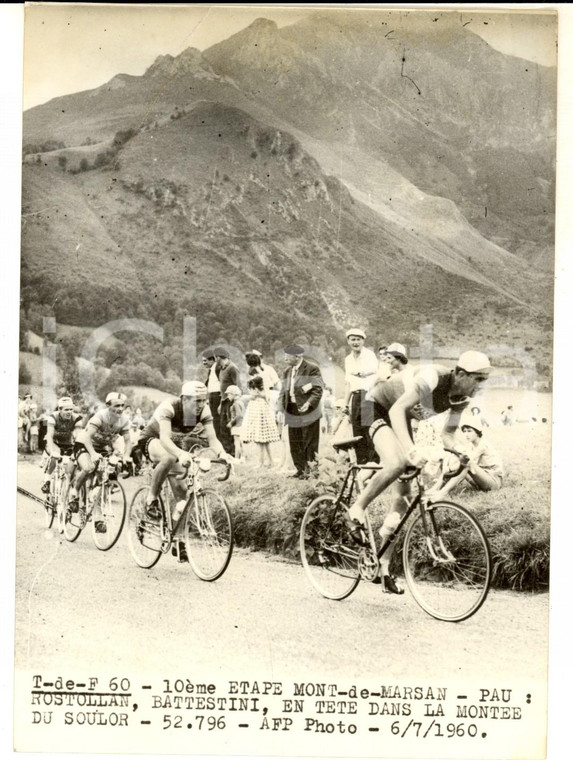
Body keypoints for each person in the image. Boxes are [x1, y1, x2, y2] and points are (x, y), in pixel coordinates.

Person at [345, 350, 492, 594]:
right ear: (461, 374)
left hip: (398, 418)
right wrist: (412, 450)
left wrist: (459, 450)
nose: (480, 387)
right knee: (397, 463)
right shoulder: (432, 377)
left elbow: (447, 435)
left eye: (483, 382)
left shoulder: (461, 398)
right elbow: (396, 411)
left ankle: (383, 565)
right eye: (477, 380)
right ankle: (356, 508)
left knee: (403, 499)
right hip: (373, 408)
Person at [137, 381, 233, 560]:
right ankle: (151, 499)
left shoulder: (204, 411)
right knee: (169, 457)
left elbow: (213, 440)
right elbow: (165, 438)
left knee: (182, 497)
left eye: (203, 401)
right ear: (184, 399)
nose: (201, 405)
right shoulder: (169, 407)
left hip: (175, 445)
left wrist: (223, 454)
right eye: (196, 401)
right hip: (153, 440)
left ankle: (178, 540)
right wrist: (181, 454)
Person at [68, 392, 134, 532]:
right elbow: (86, 437)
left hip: (103, 448)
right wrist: (92, 454)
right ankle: (74, 492)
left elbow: (128, 441)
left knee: (103, 481)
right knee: (88, 467)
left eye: (122, 405)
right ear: (108, 405)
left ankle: (98, 518)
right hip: (84, 444)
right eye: (117, 405)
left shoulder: (124, 420)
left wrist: (126, 456)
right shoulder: (100, 416)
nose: (120, 409)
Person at [427, 408, 504, 500]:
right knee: (458, 462)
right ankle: (435, 489)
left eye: (469, 431)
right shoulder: (470, 445)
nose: (466, 434)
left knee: (466, 464)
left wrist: (448, 469)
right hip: (481, 480)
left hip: (493, 481)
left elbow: (467, 461)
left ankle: (442, 492)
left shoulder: (483, 445)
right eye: (464, 431)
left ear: (477, 432)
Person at [277, 345, 324, 479]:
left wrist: (308, 403)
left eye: (287, 356)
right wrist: (280, 409)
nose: (285, 358)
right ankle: (300, 470)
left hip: (309, 411)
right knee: (295, 440)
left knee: (309, 441)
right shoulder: (287, 371)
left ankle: (312, 472)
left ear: (297, 357)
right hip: (291, 409)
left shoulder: (311, 368)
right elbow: (283, 391)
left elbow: (318, 389)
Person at [343, 328, 379, 464]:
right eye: (353, 339)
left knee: (369, 429)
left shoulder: (369, 355)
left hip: (369, 396)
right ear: (348, 341)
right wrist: (345, 403)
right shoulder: (348, 359)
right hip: (356, 397)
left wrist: (360, 372)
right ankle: (361, 463)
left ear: (363, 341)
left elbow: (374, 372)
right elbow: (348, 382)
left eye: (358, 339)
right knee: (357, 430)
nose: (356, 342)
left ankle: (374, 463)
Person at [40, 396, 84, 494]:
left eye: (71, 409)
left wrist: (76, 452)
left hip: (68, 443)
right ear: (60, 409)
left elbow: (78, 436)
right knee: (55, 456)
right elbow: (50, 436)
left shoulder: (77, 418)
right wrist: (52, 451)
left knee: (72, 465)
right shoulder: (53, 417)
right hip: (55, 442)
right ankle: (47, 480)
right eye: (66, 410)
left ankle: (70, 488)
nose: (69, 412)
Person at [242, 375, 280, 468]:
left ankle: (261, 462)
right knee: (264, 442)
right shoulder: (262, 392)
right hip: (260, 413)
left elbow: (252, 397)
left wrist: (253, 394)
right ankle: (270, 461)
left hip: (259, 414)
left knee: (260, 441)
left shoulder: (258, 391)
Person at [214, 347, 241, 455]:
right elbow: (222, 388)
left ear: (219, 357)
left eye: (216, 357)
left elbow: (238, 386)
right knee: (223, 427)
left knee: (231, 427)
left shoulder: (232, 368)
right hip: (224, 401)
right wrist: (221, 403)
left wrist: (235, 403)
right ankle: (227, 452)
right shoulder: (221, 369)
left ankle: (234, 453)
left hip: (231, 401)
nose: (215, 360)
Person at [202, 349, 222, 438]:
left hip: (217, 395)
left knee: (215, 418)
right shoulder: (211, 369)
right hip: (212, 396)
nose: (203, 363)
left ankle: (216, 437)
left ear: (212, 360)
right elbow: (208, 382)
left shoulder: (217, 368)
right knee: (212, 417)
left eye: (205, 361)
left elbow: (222, 382)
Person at [225, 385, 245, 461]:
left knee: (236, 443)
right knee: (241, 443)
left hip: (236, 426)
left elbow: (239, 415)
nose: (227, 396)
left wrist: (231, 423)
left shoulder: (235, 403)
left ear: (233, 394)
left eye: (229, 394)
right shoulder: (241, 402)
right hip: (242, 424)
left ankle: (236, 458)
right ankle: (243, 458)